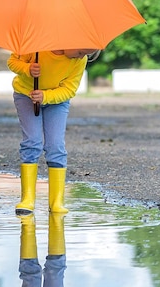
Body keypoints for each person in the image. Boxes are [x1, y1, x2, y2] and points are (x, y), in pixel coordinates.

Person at [8, 49, 99, 215]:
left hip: (57, 101)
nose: (80, 56)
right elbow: (12, 62)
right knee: (32, 142)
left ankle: (56, 201)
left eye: (85, 54)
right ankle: (27, 198)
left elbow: (69, 90)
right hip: (26, 95)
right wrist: (27, 69)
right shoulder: (37, 46)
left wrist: (45, 97)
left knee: (56, 146)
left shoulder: (80, 60)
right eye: (79, 51)